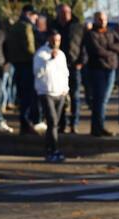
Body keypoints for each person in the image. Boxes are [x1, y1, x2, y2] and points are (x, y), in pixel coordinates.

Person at [84, 11, 119, 137]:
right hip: (98, 69)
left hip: (111, 68)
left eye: (104, 19)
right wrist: (112, 52)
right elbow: (96, 51)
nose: (102, 21)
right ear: (95, 20)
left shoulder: (111, 32)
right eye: (100, 19)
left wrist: (109, 47)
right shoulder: (91, 34)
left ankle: (99, 126)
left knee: (104, 99)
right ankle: (97, 127)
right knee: (99, 100)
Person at [34, 30, 69, 162]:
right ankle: (52, 149)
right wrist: (49, 60)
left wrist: (66, 89)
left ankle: (52, 149)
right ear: (49, 39)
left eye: (58, 40)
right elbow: (37, 72)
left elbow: (65, 73)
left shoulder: (61, 55)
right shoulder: (41, 54)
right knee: (52, 121)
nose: (56, 43)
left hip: (60, 93)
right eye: (53, 40)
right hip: (46, 92)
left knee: (55, 124)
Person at [51, 4, 85, 135]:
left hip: (74, 65)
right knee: (60, 96)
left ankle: (74, 124)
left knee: (75, 96)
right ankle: (61, 124)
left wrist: (81, 61)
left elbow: (83, 45)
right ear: (58, 13)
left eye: (67, 12)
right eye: (62, 12)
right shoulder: (53, 27)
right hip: (58, 67)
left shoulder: (77, 26)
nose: (65, 15)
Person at [6, 5, 39, 134]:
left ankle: (25, 122)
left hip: (17, 64)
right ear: (29, 14)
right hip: (27, 64)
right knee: (28, 95)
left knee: (22, 95)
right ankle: (26, 123)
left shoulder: (14, 26)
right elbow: (30, 47)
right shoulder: (26, 27)